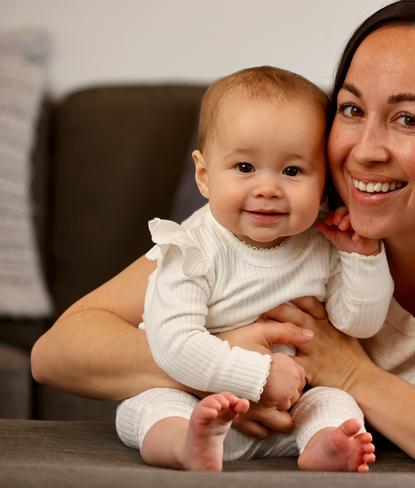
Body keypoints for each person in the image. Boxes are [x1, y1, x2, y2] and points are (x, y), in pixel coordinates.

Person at [31, 0, 415, 476]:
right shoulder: (294, 222)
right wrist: (227, 361)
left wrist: (350, 376)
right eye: (351, 110)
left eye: (408, 118)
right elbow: (61, 350)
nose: (364, 151)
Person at [113, 66, 392, 472]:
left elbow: (358, 323)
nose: (268, 188)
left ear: (324, 186)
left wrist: (363, 257)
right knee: (150, 407)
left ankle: (322, 447)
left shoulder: (321, 244)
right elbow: (172, 343)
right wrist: (259, 375)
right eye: (245, 168)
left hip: (286, 413)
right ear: (205, 176)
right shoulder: (192, 247)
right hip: (195, 403)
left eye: (292, 171)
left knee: (335, 403)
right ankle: (187, 446)